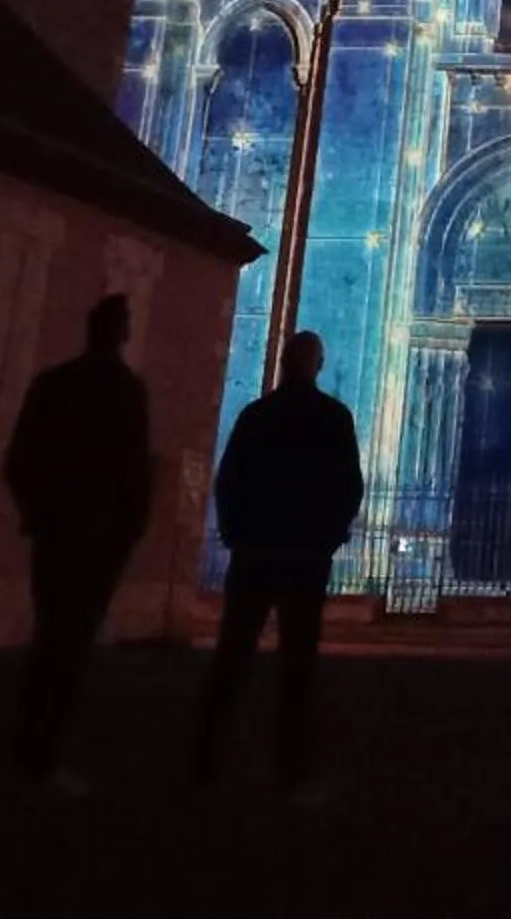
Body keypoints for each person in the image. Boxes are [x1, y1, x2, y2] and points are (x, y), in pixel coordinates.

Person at [191, 329, 365, 794]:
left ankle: (205, 762)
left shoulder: (257, 416)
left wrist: (236, 533)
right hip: (305, 558)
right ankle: (290, 772)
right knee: (298, 665)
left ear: (286, 363)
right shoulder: (333, 417)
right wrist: (329, 537)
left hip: (256, 553)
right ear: (319, 365)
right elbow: (350, 486)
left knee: (233, 659)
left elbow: (229, 481)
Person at [3, 291, 153, 789]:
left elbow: (20, 459)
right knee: (71, 646)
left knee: (49, 638)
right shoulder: (125, 391)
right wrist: (129, 530)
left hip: (55, 531)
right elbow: (136, 470)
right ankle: (45, 757)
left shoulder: (53, 384)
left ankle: (25, 749)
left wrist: (36, 513)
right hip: (99, 539)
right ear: (118, 333)